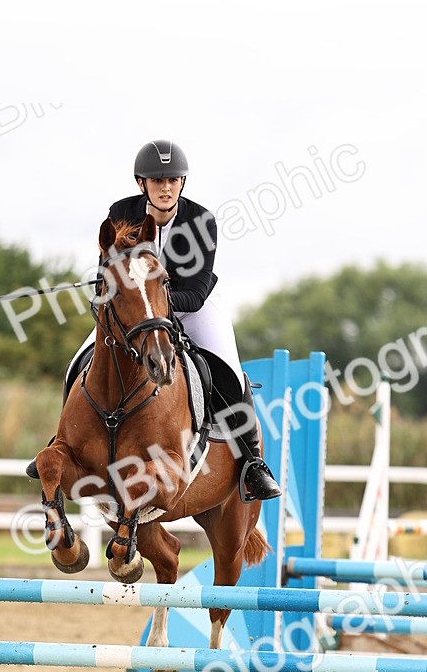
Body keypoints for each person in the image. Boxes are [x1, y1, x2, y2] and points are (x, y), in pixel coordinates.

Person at [57, 139, 281, 503]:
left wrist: (156, 306)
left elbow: (197, 289)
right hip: (134, 311)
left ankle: (252, 462)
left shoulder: (201, 220)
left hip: (194, 305)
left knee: (227, 367)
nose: (166, 187)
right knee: (79, 362)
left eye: (173, 180)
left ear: (182, 183)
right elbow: (106, 277)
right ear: (141, 183)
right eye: (157, 180)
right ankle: (63, 438)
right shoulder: (121, 213)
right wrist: (136, 306)